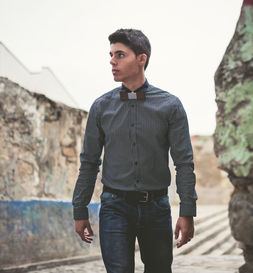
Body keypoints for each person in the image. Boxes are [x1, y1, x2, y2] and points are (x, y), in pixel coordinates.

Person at [72, 28, 197, 273]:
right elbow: (89, 162)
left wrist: (187, 211)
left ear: (142, 59)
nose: (112, 61)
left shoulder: (170, 106)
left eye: (120, 55)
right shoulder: (100, 107)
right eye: (111, 54)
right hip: (114, 207)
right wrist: (80, 209)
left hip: (158, 208)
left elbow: (183, 163)